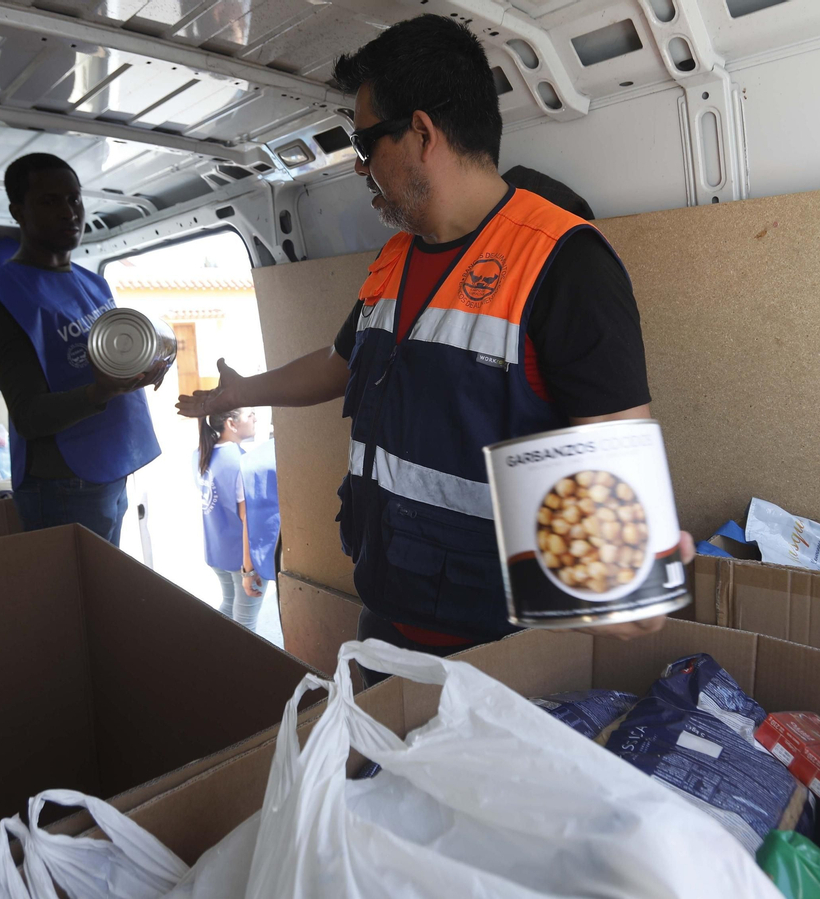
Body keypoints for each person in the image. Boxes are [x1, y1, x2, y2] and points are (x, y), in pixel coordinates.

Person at [178, 15, 692, 675]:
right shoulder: (394, 259)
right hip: (386, 612)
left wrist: (627, 584)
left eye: (365, 141)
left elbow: (616, 461)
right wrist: (242, 390)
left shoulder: (565, 264)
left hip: (500, 652)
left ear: (421, 133)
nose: (359, 165)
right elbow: (342, 362)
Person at [0, 154, 163, 543]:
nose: (69, 212)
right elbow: (29, 416)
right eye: (50, 201)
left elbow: (106, 364)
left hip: (109, 464)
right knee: (82, 599)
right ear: (18, 211)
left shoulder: (92, 282)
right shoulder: (5, 300)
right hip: (63, 484)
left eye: (74, 199)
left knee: (105, 587)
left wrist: (146, 364)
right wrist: (103, 390)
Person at [196, 407, 264, 628]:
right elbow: (249, 522)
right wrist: (249, 570)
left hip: (217, 550)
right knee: (246, 624)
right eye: (249, 414)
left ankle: (213, 653)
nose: (255, 417)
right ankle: (235, 661)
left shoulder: (200, 454)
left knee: (228, 606)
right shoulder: (242, 462)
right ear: (231, 424)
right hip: (241, 557)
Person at [241, 431, 280, 585]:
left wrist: (248, 569)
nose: (255, 418)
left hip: (276, 557)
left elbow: (250, 517)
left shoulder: (252, 460)